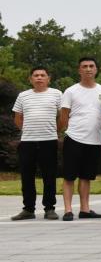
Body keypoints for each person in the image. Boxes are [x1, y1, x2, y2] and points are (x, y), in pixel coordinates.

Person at [58, 57, 101, 221]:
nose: (88, 69)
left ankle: (85, 209)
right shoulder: (71, 91)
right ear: (79, 70)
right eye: (84, 66)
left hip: (94, 140)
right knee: (69, 176)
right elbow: (64, 117)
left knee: (86, 176)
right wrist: (65, 132)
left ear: (96, 69)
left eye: (91, 66)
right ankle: (68, 210)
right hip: (74, 138)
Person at [11, 66, 62, 221]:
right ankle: (28, 209)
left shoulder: (57, 94)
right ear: (30, 79)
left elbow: (63, 116)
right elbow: (17, 118)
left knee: (49, 176)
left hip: (49, 141)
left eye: (42, 75)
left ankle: (49, 208)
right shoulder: (23, 96)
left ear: (48, 78)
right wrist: (28, 130)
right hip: (27, 142)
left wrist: (55, 130)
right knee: (27, 176)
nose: (39, 77)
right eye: (36, 75)